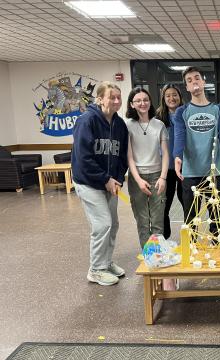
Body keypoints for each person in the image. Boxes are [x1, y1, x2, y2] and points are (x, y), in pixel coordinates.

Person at [72, 81, 128, 286]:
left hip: (110, 183)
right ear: (100, 99)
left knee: (113, 225)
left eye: (118, 97)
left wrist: (118, 179)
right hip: (88, 183)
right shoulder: (86, 121)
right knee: (102, 224)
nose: (115, 101)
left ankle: (106, 262)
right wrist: (105, 179)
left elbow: (122, 156)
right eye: (111, 97)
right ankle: (95, 270)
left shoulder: (120, 124)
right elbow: (83, 158)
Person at [173, 66, 220, 236]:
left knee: (216, 218)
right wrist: (177, 156)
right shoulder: (182, 112)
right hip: (190, 171)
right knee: (191, 218)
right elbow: (179, 135)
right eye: (189, 80)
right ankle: (192, 254)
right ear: (186, 88)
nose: (193, 82)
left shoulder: (217, 110)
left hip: (213, 172)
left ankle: (217, 251)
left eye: (196, 78)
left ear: (203, 82)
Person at [125, 87, 169, 249]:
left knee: (158, 220)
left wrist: (163, 177)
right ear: (132, 104)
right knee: (142, 221)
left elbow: (165, 153)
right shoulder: (127, 125)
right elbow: (129, 156)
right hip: (137, 177)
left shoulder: (159, 125)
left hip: (157, 175)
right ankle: (148, 257)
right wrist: (138, 180)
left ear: (150, 102)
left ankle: (159, 254)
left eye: (145, 100)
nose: (142, 103)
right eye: (138, 100)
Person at [156, 83, 184, 240]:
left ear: (180, 97)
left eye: (174, 95)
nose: (172, 98)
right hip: (165, 170)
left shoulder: (186, 114)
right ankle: (164, 240)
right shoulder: (158, 118)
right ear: (163, 98)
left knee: (188, 205)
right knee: (163, 207)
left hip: (185, 169)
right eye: (168, 96)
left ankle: (191, 240)